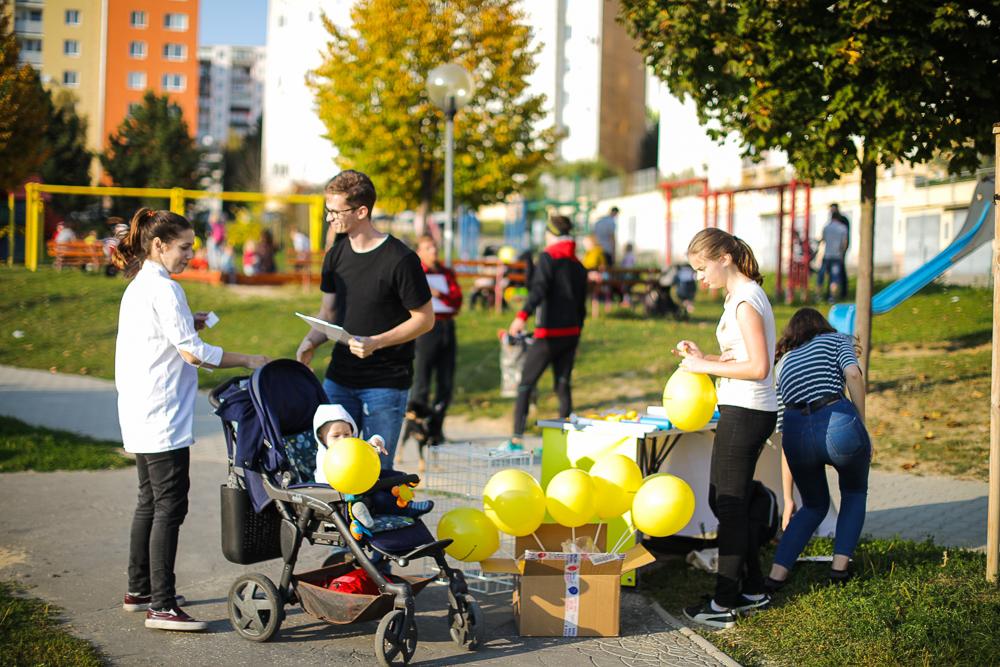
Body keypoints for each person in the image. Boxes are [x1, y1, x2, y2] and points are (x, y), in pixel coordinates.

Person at [112, 207, 268, 631]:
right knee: (170, 507)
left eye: (192, 248)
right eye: (184, 248)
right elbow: (193, 353)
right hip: (161, 415)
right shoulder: (164, 289)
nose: (190, 256)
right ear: (158, 245)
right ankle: (161, 605)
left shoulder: (142, 285)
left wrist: (189, 324)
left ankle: (140, 588)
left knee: (149, 501)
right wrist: (250, 359)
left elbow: (166, 337)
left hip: (140, 411)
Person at [295, 170, 434, 469]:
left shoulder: (400, 259)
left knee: (374, 472)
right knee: (333, 468)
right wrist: (311, 341)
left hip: (385, 385)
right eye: (327, 210)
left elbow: (424, 319)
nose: (329, 218)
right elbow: (328, 313)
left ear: (362, 211)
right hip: (339, 381)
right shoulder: (335, 255)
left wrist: (376, 342)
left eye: (335, 211)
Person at [675, 228, 778, 630]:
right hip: (741, 407)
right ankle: (752, 588)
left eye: (702, 269)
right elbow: (740, 357)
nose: (700, 279)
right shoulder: (738, 298)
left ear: (724, 258)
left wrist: (704, 367)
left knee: (730, 504)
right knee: (725, 501)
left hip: (748, 410)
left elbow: (758, 367)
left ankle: (723, 603)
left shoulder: (746, 300)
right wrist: (707, 357)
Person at [764, 308, 870, 591]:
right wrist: (861, 423)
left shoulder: (783, 363)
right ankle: (839, 570)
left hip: (797, 434)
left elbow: (783, 430)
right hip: (837, 421)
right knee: (854, 492)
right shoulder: (837, 340)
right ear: (822, 326)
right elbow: (854, 376)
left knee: (813, 505)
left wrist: (788, 498)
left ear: (792, 335)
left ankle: (777, 574)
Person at [504, 215, 587, 451]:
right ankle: (562, 440)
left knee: (526, 384)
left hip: (548, 334)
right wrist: (578, 334)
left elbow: (538, 290)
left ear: (550, 235)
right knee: (562, 384)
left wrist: (521, 316)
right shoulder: (578, 264)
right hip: (571, 333)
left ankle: (516, 439)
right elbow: (582, 306)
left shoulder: (548, 258)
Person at [311, 404, 433, 519]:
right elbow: (326, 483)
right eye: (336, 436)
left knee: (396, 476)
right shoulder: (325, 457)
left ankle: (406, 499)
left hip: (365, 481)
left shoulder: (353, 447)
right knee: (380, 498)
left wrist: (376, 441)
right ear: (321, 437)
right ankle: (406, 509)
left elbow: (368, 445)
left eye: (347, 434)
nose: (343, 439)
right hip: (348, 495)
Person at [410, 234, 463, 450]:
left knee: (446, 382)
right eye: (428, 248)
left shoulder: (445, 272)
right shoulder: (416, 272)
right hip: (425, 330)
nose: (433, 251)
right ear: (419, 252)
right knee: (422, 381)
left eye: (434, 247)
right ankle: (417, 429)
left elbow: (456, 299)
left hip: (446, 327)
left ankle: (436, 429)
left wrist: (438, 293)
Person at [817, 203, 849, 302]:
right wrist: (842, 253)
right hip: (837, 257)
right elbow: (845, 243)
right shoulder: (843, 228)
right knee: (834, 279)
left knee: (821, 277)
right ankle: (832, 297)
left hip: (827, 256)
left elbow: (822, 240)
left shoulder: (826, 227)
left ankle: (818, 296)